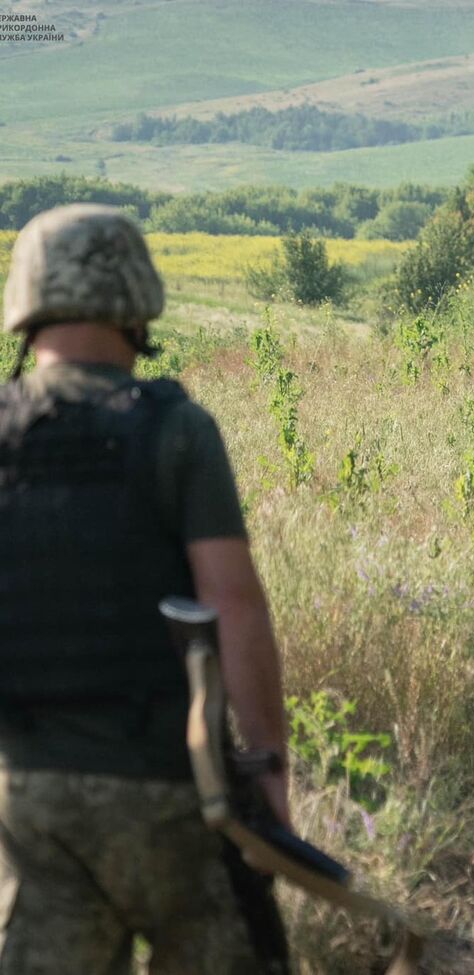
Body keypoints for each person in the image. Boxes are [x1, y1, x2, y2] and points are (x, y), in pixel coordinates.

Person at [0, 205, 291, 973]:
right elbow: (233, 605)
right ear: (137, 304)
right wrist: (267, 770)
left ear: (25, 307)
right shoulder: (176, 429)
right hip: (175, 794)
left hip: (29, 801)